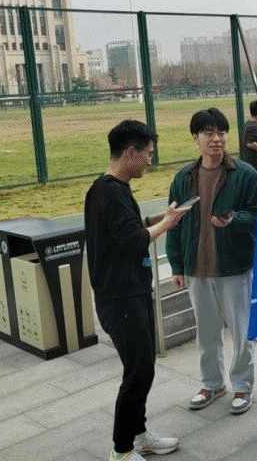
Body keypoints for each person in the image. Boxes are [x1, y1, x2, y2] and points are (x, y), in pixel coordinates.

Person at [85, 119, 191, 461]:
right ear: (130, 152)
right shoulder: (108, 192)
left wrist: (160, 217)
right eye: (148, 154)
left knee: (143, 367)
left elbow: (130, 228)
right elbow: (134, 240)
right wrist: (167, 224)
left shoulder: (115, 189)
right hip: (120, 298)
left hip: (133, 292)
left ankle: (139, 434)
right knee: (138, 371)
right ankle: (122, 451)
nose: (150, 161)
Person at [166, 108, 257, 416]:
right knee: (206, 333)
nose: (217, 139)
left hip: (234, 267)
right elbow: (174, 223)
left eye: (222, 133)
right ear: (195, 138)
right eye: (209, 133)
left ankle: (242, 386)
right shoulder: (183, 178)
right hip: (197, 269)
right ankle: (211, 383)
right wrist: (177, 266)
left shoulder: (245, 175)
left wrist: (234, 220)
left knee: (241, 332)